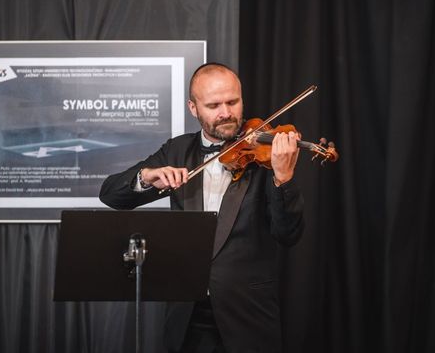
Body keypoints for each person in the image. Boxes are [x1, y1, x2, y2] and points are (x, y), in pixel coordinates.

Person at [99, 63, 304, 353]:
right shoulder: (177, 151)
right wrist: (147, 177)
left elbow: (288, 234)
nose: (226, 113)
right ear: (193, 108)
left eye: (233, 102)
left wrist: (283, 179)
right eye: (213, 105)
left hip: (248, 314)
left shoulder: (265, 154)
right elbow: (111, 195)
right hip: (186, 316)